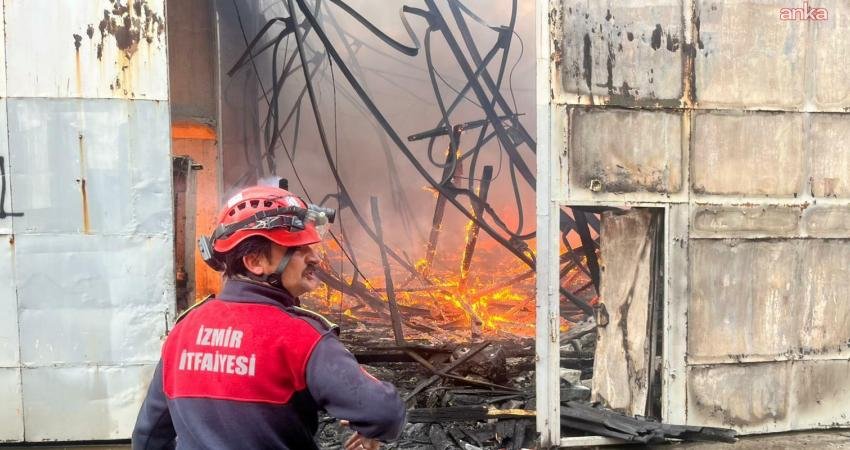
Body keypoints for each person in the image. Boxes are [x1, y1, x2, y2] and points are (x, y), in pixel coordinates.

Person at [132, 184, 406, 450]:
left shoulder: (183, 331)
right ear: (255, 261)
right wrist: (372, 429)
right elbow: (385, 414)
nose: (314, 258)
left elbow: (147, 438)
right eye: (298, 248)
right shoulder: (301, 338)